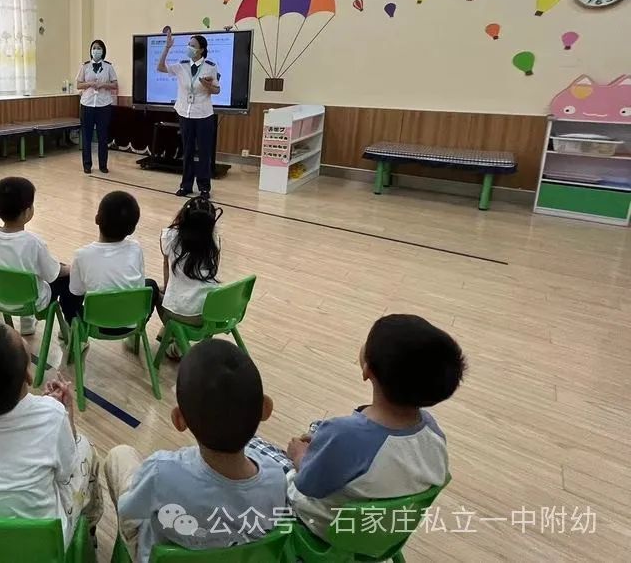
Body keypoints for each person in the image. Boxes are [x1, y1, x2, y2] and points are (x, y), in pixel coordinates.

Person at [257, 314, 463, 541]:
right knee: (320, 428)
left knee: (257, 450)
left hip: (320, 529)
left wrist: (300, 456)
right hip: (383, 533)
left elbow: (307, 485)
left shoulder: (342, 434)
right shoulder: (433, 433)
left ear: (367, 371)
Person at [106, 340, 288, 562]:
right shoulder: (277, 479)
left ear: (179, 420)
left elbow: (129, 512)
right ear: (264, 409)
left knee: (120, 454)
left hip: (158, 554)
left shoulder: (161, 472)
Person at [0, 323, 101, 546]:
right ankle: (90, 524)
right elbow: (66, 472)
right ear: (28, 375)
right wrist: (65, 412)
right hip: (40, 545)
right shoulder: (52, 414)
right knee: (85, 447)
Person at [0, 177, 70, 336]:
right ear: (27, 212)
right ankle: (69, 328)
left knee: (20, 271)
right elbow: (53, 274)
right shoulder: (34, 242)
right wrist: (69, 268)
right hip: (32, 303)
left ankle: (27, 322)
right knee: (64, 277)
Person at [69, 191, 158, 337]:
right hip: (132, 322)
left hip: (94, 325)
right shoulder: (136, 249)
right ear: (132, 229)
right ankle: (136, 335)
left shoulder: (82, 255)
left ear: (97, 219)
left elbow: (76, 291)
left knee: (70, 291)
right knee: (151, 285)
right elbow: (140, 285)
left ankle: (76, 336)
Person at [156, 32, 220, 199]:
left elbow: (217, 90)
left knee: (204, 152)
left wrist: (208, 86)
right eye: (189, 44)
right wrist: (167, 47)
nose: (189, 48)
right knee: (188, 151)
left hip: (204, 114)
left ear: (201, 50)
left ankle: (204, 187)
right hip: (185, 113)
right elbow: (160, 67)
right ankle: (186, 186)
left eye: (193, 45)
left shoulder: (210, 66)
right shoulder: (182, 65)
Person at [158, 197, 221, 357]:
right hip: (210, 312)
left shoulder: (170, 236)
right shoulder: (214, 239)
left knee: (154, 291)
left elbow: (166, 269)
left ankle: (175, 337)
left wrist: (167, 292)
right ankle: (173, 336)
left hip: (179, 313)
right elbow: (215, 269)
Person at [75, 39, 118, 175]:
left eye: (99, 48)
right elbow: (78, 85)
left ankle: (103, 165)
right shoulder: (85, 66)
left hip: (103, 104)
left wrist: (103, 85)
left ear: (103, 51)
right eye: (94, 48)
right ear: (91, 51)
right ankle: (87, 165)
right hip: (87, 104)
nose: (96, 50)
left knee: (102, 136)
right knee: (87, 136)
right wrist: (89, 84)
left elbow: (115, 84)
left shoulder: (108, 67)